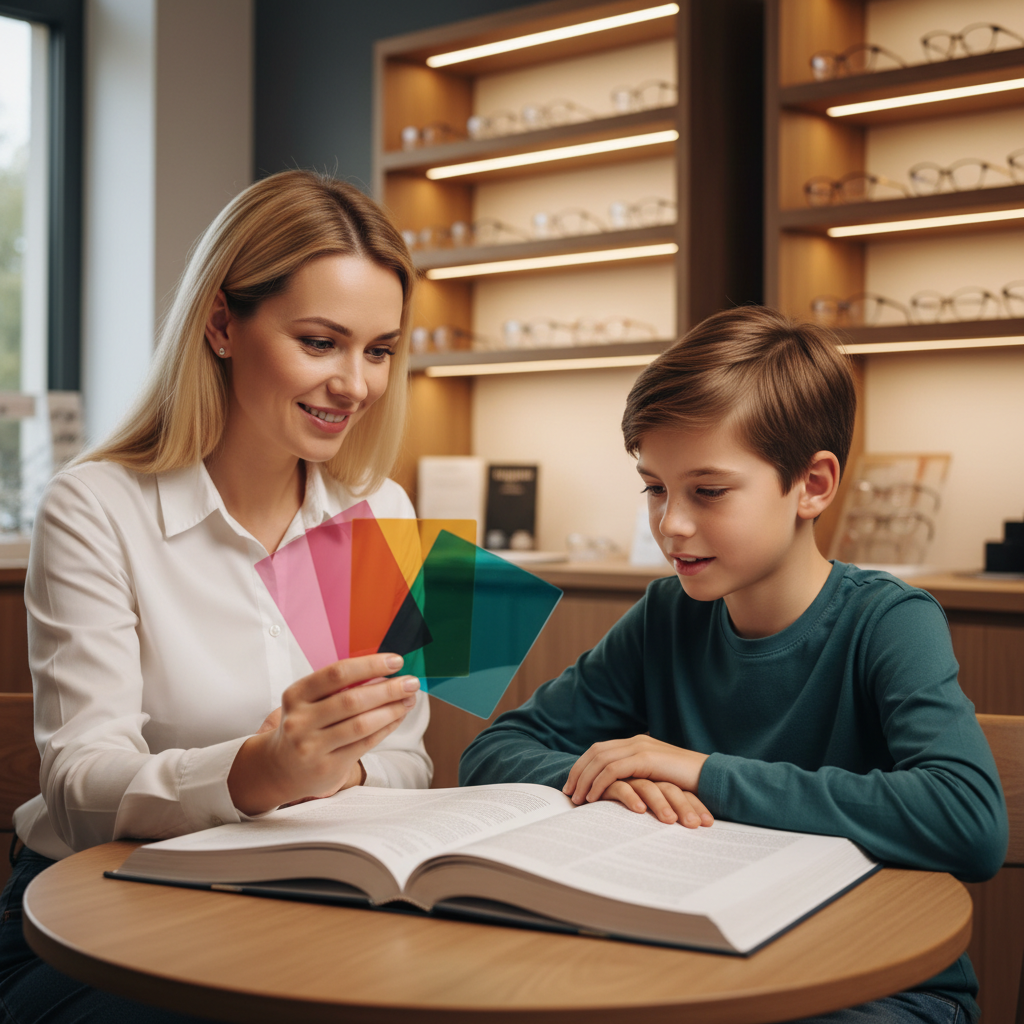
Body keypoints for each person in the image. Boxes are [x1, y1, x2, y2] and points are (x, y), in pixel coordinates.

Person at [460, 306, 1007, 1024]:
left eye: (708, 491)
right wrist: (613, 780)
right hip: (703, 969)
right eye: (655, 487)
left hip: (874, 989)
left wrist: (703, 773)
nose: (672, 524)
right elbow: (493, 750)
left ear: (812, 485)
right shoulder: (665, 615)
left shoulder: (890, 621)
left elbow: (969, 820)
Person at [0, 170, 430, 1023]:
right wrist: (260, 770)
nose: (356, 384)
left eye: (379, 350)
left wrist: (336, 769)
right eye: (321, 342)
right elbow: (78, 788)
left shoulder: (382, 511)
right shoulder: (94, 506)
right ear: (222, 324)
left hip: (308, 900)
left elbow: (410, 763)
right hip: (97, 907)